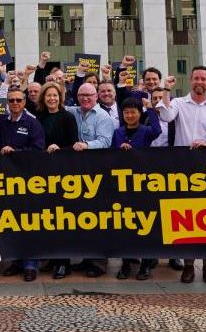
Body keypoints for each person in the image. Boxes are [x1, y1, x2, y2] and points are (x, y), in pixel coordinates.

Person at [157, 66, 206, 284]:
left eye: (203, 79)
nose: (199, 82)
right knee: (185, 218)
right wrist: (166, 90)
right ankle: (188, 265)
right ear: (190, 80)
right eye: (196, 78)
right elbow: (166, 116)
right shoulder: (178, 103)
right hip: (183, 169)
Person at [65, 82, 116, 278]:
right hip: (78, 172)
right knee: (84, 218)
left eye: (89, 95)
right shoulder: (73, 112)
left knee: (98, 218)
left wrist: (86, 145)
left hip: (97, 172)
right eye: (81, 95)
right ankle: (87, 258)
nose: (85, 98)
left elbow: (105, 142)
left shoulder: (103, 117)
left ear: (96, 96)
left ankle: (98, 263)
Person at [0, 87, 45, 281]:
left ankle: (30, 264)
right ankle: (16, 261)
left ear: (25, 103)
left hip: (28, 180)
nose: (15, 103)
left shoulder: (33, 123)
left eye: (18, 100)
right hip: (6, 180)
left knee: (29, 222)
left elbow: (38, 150)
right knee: (11, 222)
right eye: (11, 100)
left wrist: (15, 152)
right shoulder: (2, 123)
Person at [112, 97, 163, 280]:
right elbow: (111, 153)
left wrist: (150, 109)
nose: (130, 115)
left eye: (133, 112)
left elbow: (157, 130)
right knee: (126, 224)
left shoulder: (146, 131)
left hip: (143, 183)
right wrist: (120, 149)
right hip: (124, 184)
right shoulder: (118, 132)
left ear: (139, 114)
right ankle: (126, 263)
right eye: (126, 112)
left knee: (146, 223)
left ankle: (146, 264)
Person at [35, 82, 79, 279]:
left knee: (62, 217)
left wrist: (59, 149)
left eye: (55, 95)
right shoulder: (39, 117)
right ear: (43, 98)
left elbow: (74, 144)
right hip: (43, 173)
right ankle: (53, 258)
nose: (51, 98)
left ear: (60, 98)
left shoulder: (68, 117)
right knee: (48, 217)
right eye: (48, 95)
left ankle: (63, 262)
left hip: (63, 172)